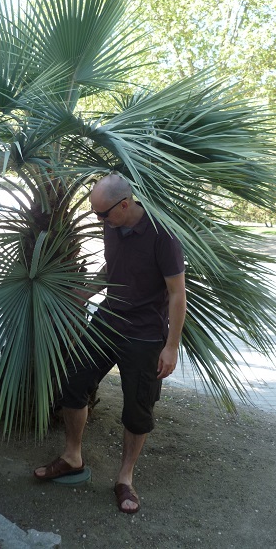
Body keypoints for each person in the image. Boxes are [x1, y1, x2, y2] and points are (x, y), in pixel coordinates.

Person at [34, 173, 186, 514]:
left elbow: (177, 293)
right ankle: (72, 457)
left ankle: (125, 478)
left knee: (137, 410)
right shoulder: (112, 225)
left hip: (145, 334)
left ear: (125, 204)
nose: (99, 220)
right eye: (95, 213)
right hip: (107, 321)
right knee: (73, 382)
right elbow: (111, 268)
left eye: (103, 214)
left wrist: (171, 346)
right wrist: (82, 294)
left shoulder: (163, 236)